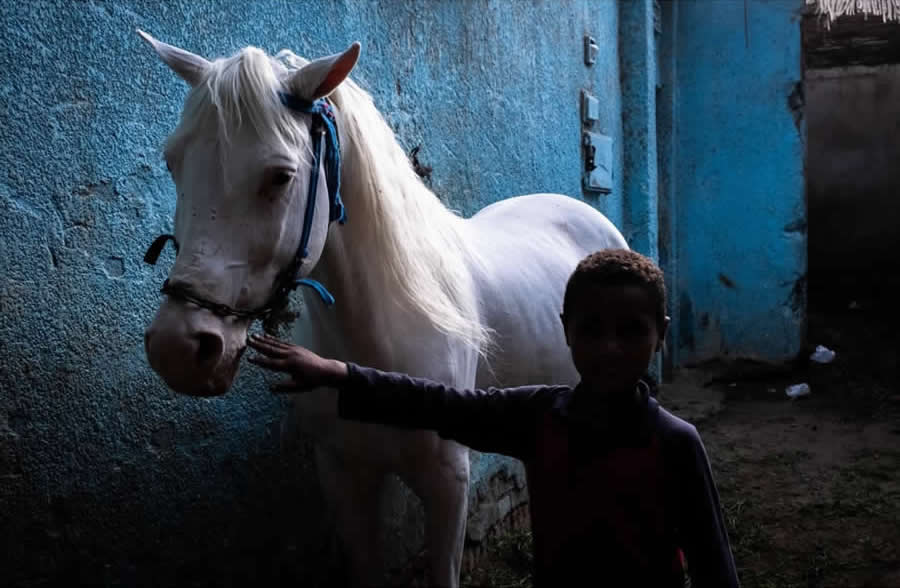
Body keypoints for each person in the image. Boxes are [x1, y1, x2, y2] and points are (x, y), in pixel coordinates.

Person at [248, 249, 739, 587]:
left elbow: (713, 560)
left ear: (661, 335)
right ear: (566, 330)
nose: (610, 348)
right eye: (592, 330)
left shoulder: (676, 443)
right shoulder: (540, 416)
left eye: (631, 331)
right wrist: (338, 373)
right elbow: (438, 404)